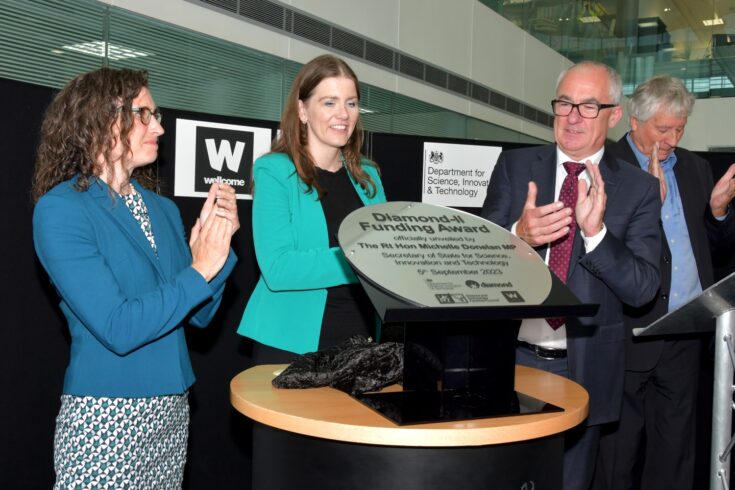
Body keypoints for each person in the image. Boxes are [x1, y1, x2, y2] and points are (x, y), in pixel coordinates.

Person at [32, 68, 238, 489]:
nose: (159, 126)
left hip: (171, 412)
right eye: (145, 114)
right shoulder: (61, 211)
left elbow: (198, 316)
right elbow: (118, 326)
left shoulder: (160, 209)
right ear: (103, 119)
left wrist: (218, 251)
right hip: (107, 416)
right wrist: (200, 269)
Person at [481, 61, 662, 490]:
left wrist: (596, 234)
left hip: (584, 370)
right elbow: (477, 261)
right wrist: (517, 235)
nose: (573, 116)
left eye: (588, 105)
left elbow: (643, 289)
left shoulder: (637, 189)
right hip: (510, 361)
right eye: (564, 103)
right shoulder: (515, 166)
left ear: (613, 115)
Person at [597, 75, 735, 490]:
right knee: (618, 454)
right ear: (634, 121)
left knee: (675, 450)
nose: (672, 139)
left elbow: (712, 246)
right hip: (627, 331)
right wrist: (647, 206)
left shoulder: (695, 167)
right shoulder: (605, 166)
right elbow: (597, 248)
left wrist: (718, 212)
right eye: (662, 129)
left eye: (680, 128)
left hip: (685, 330)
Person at [237, 54, 386, 364]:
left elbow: (387, 255)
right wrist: (360, 260)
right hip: (290, 345)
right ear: (303, 110)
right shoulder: (274, 171)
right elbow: (278, 268)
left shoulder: (368, 176)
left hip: (362, 344)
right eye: (329, 103)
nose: (342, 114)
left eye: (351, 103)